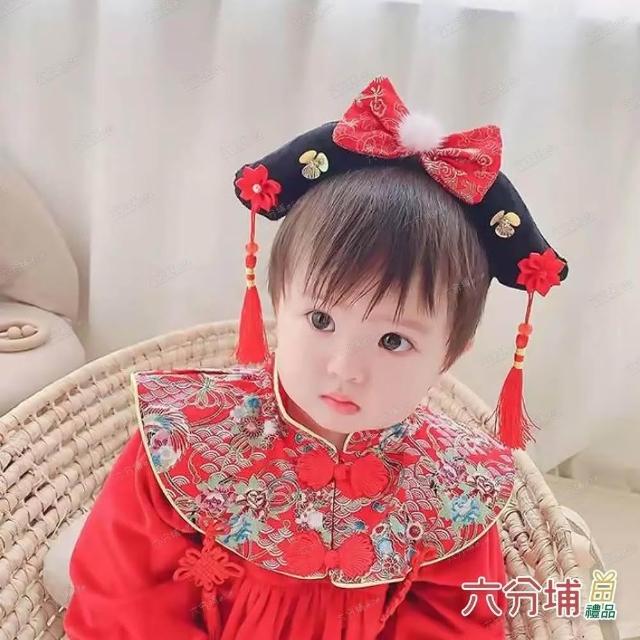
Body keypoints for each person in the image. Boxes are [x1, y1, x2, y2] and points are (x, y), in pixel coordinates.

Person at [64, 75, 569, 639]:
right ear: (278, 304)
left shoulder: (453, 488)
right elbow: (122, 597)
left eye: (394, 341)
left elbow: (458, 623)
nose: (344, 368)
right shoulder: (186, 436)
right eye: (322, 321)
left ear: (450, 355)